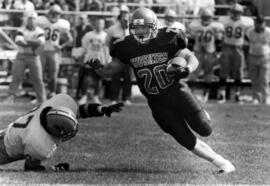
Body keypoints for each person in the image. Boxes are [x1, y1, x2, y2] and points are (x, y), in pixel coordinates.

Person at [88, 7, 235, 173]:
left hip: (178, 92)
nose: (141, 32)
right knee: (185, 139)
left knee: (205, 129)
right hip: (157, 103)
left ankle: (203, 115)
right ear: (131, 28)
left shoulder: (169, 37)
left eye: (145, 27)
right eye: (137, 28)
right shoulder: (126, 46)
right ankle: (223, 164)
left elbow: (191, 58)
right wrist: (98, 67)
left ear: (154, 26)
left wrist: (186, 69)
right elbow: (109, 71)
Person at [0, 93, 123, 171]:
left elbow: (80, 111)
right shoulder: (38, 142)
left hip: (7, 134)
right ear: (54, 129)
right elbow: (31, 168)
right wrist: (54, 169)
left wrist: (101, 109)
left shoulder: (54, 111)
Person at [4, 11, 47, 104]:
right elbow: (19, 42)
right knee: (16, 77)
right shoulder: (21, 29)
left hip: (34, 56)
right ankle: (10, 98)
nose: (31, 21)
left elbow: (40, 42)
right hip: (21, 56)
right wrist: (33, 43)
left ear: (36, 20)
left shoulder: (40, 31)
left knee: (38, 79)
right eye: (30, 19)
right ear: (27, 20)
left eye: (33, 19)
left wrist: (26, 41)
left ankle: (42, 100)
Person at [218, 3, 253, 103]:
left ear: (241, 13)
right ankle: (222, 94)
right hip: (227, 47)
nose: (236, 14)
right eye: (234, 12)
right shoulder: (223, 20)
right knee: (224, 71)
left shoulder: (246, 22)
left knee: (238, 71)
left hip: (238, 48)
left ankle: (237, 94)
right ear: (230, 12)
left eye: (238, 12)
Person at [37, 4, 73, 98]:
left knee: (53, 75)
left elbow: (70, 39)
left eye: (56, 14)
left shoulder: (62, 24)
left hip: (54, 52)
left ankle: (51, 92)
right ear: (49, 13)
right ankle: (41, 93)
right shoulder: (41, 21)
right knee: (40, 74)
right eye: (53, 13)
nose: (54, 15)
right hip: (42, 51)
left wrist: (61, 46)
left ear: (59, 15)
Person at [188, 9, 224, 102]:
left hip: (210, 52)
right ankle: (191, 93)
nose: (206, 19)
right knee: (194, 71)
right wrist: (190, 51)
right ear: (201, 17)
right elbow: (191, 40)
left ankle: (206, 94)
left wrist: (218, 52)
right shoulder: (195, 26)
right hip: (198, 51)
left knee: (208, 73)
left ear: (211, 18)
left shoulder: (215, 27)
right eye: (204, 17)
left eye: (207, 17)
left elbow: (218, 41)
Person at [78, 18, 111, 104]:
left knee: (98, 80)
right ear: (94, 25)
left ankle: (95, 96)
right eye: (97, 23)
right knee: (87, 78)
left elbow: (107, 49)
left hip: (101, 61)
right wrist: (82, 56)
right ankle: (84, 96)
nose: (99, 25)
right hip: (90, 60)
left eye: (101, 24)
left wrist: (108, 60)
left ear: (103, 25)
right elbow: (84, 47)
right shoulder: (88, 35)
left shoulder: (106, 36)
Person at [105, 4, 133, 105]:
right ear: (119, 18)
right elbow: (107, 44)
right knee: (115, 78)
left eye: (127, 18)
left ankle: (127, 98)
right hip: (116, 58)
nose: (125, 20)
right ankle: (114, 98)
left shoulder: (132, 29)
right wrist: (109, 57)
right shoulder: (112, 29)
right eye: (123, 18)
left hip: (128, 58)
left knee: (127, 78)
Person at [246, 15, 270, 104]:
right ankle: (256, 97)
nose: (259, 25)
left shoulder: (268, 31)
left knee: (264, 79)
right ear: (255, 23)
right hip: (252, 55)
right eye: (257, 23)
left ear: (264, 23)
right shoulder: (250, 31)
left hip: (265, 56)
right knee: (254, 78)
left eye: (261, 23)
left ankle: (266, 97)